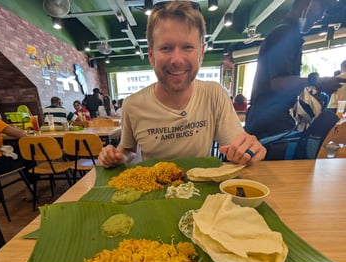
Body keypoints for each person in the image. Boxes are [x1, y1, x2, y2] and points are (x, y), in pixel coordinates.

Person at [98, 1, 266, 168]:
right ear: (151, 55)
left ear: (201, 53)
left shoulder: (214, 94)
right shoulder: (132, 104)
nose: (177, 60)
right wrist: (116, 156)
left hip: (200, 189)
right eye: (166, 48)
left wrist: (248, 150)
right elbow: (128, 150)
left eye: (187, 47)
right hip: (153, 191)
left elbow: (236, 147)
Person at [245, 0, 343, 140]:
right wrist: (317, 82)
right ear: (306, 3)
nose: (321, 15)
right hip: (269, 123)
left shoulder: (286, 33)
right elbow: (279, 83)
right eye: (321, 7)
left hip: (267, 120)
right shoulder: (285, 33)